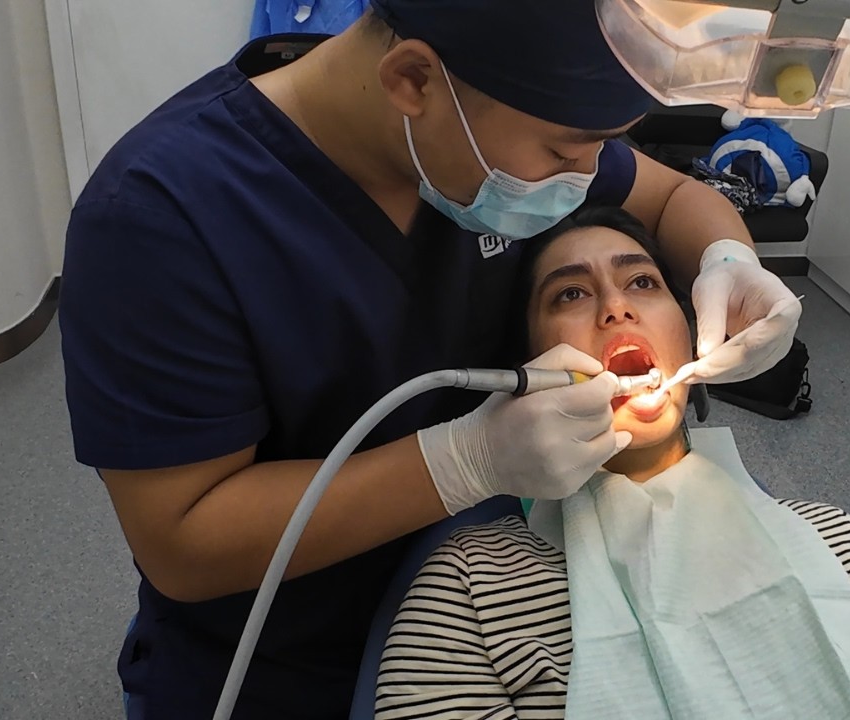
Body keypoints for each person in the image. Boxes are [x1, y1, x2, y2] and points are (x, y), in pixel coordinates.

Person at [58, 2, 803, 718]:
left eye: (599, 148)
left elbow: (671, 195)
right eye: (560, 152)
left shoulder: (502, 115)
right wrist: (465, 462)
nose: (586, 177)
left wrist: (728, 257)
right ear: (412, 80)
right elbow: (183, 544)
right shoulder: (161, 215)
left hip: (513, 614)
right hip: (289, 666)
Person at [375, 207, 850, 720]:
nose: (616, 306)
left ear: (691, 328)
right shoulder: (469, 592)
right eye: (570, 294)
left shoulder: (841, 542)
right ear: (529, 369)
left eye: (643, 282)